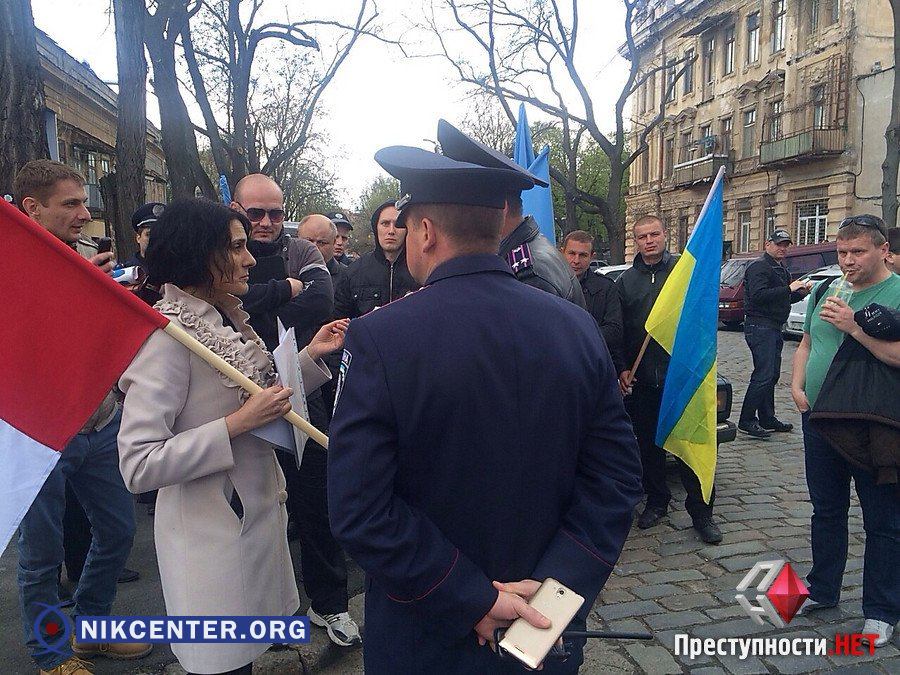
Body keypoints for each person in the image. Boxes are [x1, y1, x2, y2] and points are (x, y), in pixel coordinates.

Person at [328, 144, 643, 673]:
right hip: (542, 630)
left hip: (426, 635)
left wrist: (471, 597)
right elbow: (616, 479)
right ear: (499, 224)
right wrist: (553, 589)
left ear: (425, 231)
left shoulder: (379, 337)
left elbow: (359, 509)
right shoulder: (576, 326)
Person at [117, 198, 349, 674]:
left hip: (254, 529)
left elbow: (261, 394)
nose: (250, 260)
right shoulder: (167, 340)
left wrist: (309, 357)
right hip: (210, 542)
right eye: (237, 248)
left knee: (247, 657)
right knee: (223, 665)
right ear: (201, 254)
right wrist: (236, 425)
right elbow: (138, 465)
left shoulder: (223, 319)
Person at [13, 159, 150, 674]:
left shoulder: (84, 259)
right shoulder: (11, 266)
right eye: (70, 204)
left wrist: (112, 305)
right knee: (41, 556)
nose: (84, 214)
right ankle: (50, 656)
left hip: (99, 422)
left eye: (83, 203)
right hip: (42, 434)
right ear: (32, 208)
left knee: (117, 531)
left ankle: (92, 630)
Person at [791, 214, 900, 647]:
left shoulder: (897, 292)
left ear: (883, 251)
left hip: (872, 422)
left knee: (883, 518)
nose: (848, 260)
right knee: (826, 510)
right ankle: (822, 589)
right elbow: (807, 343)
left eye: (858, 251)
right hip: (819, 418)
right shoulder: (826, 289)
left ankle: (881, 610)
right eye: (841, 252)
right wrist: (797, 385)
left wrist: (854, 327)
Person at [617, 215, 722, 544]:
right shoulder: (625, 282)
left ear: (665, 235)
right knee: (649, 447)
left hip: (682, 377)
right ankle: (657, 501)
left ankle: (702, 512)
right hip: (643, 378)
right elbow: (620, 331)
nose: (649, 241)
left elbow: (702, 317)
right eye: (642, 236)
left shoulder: (684, 273)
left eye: (654, 234)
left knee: (690, 446)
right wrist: (622, 368)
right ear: (636, 241)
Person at [284, 213, 359, 647]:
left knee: (317, 504)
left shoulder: (345, 281)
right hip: (261, 401)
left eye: (321, 243)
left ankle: (330, 604)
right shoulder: (258, 278)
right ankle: (269, 615)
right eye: (305, 241)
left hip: (322, 397)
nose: (312, 249)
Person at [438, 119, 585, 307]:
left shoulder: (530, 275)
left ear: (501, 207)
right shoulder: (525, 255)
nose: (460, 215)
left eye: (468, 205)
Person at [229, 173, 333, 351]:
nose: (266, 223)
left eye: (276, 215)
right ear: (235, 209)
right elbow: (222, 297)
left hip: (296, 361)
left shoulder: (302, 250)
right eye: (255, 214)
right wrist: (286, 289)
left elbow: (321, 300)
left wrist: (252, 324)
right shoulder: (220, 252)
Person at [738, 228, 812, 438]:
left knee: (772, 374)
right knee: (763, 374)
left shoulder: (780, 269)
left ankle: (767, 417)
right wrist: (789, 289)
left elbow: (781, 298)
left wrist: (800, 293)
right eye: (779, 244)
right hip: (759, 326)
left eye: (786, 245)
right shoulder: (759, 267)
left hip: (773, 326)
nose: (783, 249)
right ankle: (746, 419)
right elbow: (759, 296)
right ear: (767, 244)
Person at [333, 200, 419, 319]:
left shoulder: (420, 270)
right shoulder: (354, 272)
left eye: (398, 224)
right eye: (385, 223)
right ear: (376, 228)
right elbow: (338, 320)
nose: (391, 231)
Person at [561, 230, 624, 371]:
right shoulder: (549, 285)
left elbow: (614, 330)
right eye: (571, 253)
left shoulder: (606, 288)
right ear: (562, 253)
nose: (576, 260)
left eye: (583, 255)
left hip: (594, 365)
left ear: (591, 257)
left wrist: (578, 339)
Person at [123, 202, 164, 270]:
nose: (153, 239)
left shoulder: (176, 271)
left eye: (159, 234)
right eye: (148, 234)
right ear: (138, 238)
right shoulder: (126, 271)